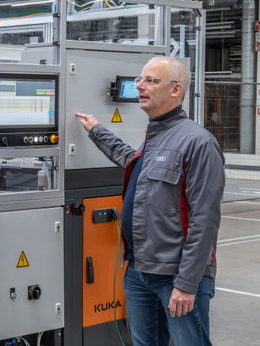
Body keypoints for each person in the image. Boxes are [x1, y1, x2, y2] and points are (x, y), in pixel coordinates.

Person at [77, 56, 224, 346]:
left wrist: (187, 283)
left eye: (150, 80)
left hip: (176, 276)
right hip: (139, 270)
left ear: (175, 89)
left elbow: (204, 220)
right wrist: (96, 130)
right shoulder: (156, 135)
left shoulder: (198, 142)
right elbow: (132, 161)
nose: (140, 86)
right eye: (139, 80)